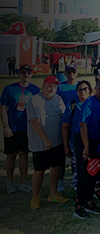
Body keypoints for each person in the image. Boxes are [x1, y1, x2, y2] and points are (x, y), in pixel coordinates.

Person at [27, 76, 68, 209]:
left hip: (57, 142)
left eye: (55, 86)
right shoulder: (34, 100)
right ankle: (35, 197)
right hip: (40, 144)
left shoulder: (58, 99)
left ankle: (53, 194)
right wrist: (45, 139)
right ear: (43, 86)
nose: (52, 88)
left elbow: (64, 117)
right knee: (39, 171)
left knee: (56, 168)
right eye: (49, 85)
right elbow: (34, 121)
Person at [73, 77, 100, 219]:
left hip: (96, 141)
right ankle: (79, 206)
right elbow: (83, 125)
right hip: (83, 140)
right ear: (95, 89)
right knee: (84, 173)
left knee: (93, 172)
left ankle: (89, 202)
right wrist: (86, 147)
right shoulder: (89, 103)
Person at [0, 65, 39, 194]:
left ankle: (23, 182)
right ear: (18, 74)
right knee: (11, 156)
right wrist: (6, 126)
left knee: (24, 155)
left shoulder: (35, 90)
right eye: (23, 73)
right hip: (12, 128)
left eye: (28, 73)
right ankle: (10, 182)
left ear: (31, 75)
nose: (25, 75)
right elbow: (3, 109)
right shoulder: (10, 89)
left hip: (28, 128)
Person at [61, 81, 92, 192]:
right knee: (77, 166)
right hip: (76, 142)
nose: (82, 92)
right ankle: (78, 188)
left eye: (85, 89)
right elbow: (65, 127)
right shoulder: (72, 105)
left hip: (92, 139)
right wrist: (66, 146)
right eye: (80, 89)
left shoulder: (93, 103)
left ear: (89, 91)